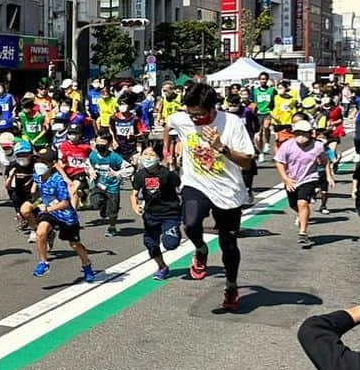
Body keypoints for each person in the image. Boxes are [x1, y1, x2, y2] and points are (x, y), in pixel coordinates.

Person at [165, 82, 256, 311]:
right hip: (196, 183)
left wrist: (221, 147)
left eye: (199, 115)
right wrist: (168, 151)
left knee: (229, 245)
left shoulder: (232, 123)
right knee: (191, 222)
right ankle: (201, 249)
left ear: (213, 108)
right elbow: (169, 124)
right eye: (191, 114)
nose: (194, 119)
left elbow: (246, 163)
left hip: (228, 191)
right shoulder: (182, 118)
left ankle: (231, 285)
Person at [30, 148, 95, 283]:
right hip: (50, 213)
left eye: (44, 161)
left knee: (74, 244)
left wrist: (48, 208)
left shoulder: (58, 181)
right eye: (38, 160)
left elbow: (65, 203)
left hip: (66, 215)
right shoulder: (37, 176)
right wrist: (35, 202)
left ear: (51, 164)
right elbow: (38, 192)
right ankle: (44, 263)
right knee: (40, 233)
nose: (39, 164)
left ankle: (87, 265)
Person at [130, 147, 182, 280]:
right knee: (150, 244)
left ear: (159, 158)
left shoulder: (166, 173)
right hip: (150, 215)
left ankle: (173, 229)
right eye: (145, 154)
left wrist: (172, 166)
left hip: (169, 213)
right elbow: (134, 193)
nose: (147, 157)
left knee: (171, 244)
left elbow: (177, 184)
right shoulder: (140, 175)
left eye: (151, 154)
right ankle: (162, 267)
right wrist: (135, 205)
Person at [274, 119, 325, 249]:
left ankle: (303, 233)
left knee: (302, 203)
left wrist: (327, 176)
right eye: (297, 134)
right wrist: (286, 179)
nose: (300, 137)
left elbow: (324, 161)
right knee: (293, 204)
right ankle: (302, 214)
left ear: (310, 134)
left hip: (309, 178)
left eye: (304, 134)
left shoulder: (318, 146)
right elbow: (279, 162)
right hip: (291, 179)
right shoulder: (287, 145)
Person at [88, 130, 126, 237]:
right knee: (95, 203)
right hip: (99, 185)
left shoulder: (114, 157)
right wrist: (91, 172)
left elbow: (129, 168)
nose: (99, 146)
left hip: (112, 187)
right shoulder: (93, 155)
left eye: (103, 144)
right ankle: (102, 205)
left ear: (109, 144)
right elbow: (88, 165)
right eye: (98, 143)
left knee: (112, 212)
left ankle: (112, 227)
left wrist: (117, 173)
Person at [251, 73, 276, 156]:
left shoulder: (272, 90)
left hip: (268, 112)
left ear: (267, 80)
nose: (263, 81)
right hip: (258, 114)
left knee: (266, 126)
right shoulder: (255, 91)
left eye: (265, 79)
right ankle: (261, 152)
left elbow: (276, 100)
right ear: (259, 80)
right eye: (261, 79)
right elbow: (253, 102)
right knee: (259, 133)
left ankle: (267, 143)